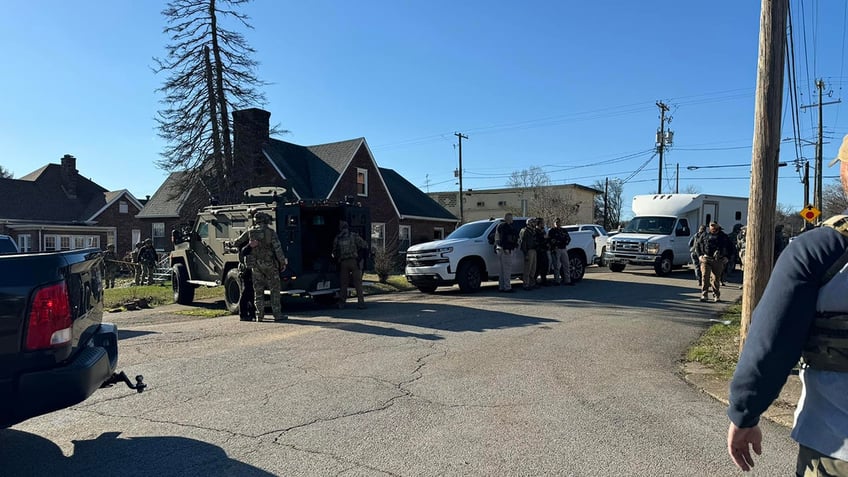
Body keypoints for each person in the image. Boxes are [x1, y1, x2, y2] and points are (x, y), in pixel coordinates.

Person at [726, 133, 848, 474]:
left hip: (836, 441)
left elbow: (771, 342)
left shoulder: (820, 249)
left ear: (846, 174)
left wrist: (744, 413)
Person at [232, 211, 288, 321]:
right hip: (270, 264)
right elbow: (278, 249)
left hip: (255, 265)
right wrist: (282, 263)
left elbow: (236, 242)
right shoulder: (271, 232)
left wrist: (249, 245)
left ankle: (259, 315)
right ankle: (277, 315)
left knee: (258, 291)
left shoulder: (250, 231)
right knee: (275, 290)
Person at [332, 220, 369, 309]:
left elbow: (334, 252)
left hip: (343, 263)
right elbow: (365, 245)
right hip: (354, 262)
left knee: (343, 284)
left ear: (340, 228)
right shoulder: (354, 236)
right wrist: (361, 258)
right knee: (357, 284)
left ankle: (342, 303)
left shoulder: (338, 238)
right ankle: (361, 303)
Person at [695, 222, 731, 303]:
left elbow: (731, 248)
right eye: (711, 226)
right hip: (706, 259)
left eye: (714, 226)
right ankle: (704, 294)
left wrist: (727, 257)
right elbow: (697, 245)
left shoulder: (723, 237)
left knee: (715, 278)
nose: (713, 228)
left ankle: (716, 295)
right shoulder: (704, 235)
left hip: (718, 260)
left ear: (718, 227)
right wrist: (699, 256)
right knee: (705, 276)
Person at [494, 213, 518, 293]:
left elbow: (497, 238)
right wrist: (506, 248)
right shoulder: (505, 227)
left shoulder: (499, 226)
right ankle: (507, 287)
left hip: (499, 249)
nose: (512, 219)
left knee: (501, 270)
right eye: (511, 218)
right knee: (507, 270)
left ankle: (501, 287)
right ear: (507, 218)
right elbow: (503, 238)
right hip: (505, 250)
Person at [548, 218, 574, 286]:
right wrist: (556, 244)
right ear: (554, 223)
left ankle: (567, 280)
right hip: (556, 249)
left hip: (563, 248)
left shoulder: (563, 230)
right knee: (557, 266)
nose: (557, 224)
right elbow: (551, 240)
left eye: (558, 222)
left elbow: (568, 238)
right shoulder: (552, 231)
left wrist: (565, 242)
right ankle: (557, 280)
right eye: (556, 222)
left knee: (566, 264)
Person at [518, 218, 537, 290]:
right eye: (533, 222)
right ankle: (526, 284)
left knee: (533, 268)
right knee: (527, 269)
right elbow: (523, 243)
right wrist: (525, 253)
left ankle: (531, 283)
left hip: (534, 250)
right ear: (529, 223)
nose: (534, 224)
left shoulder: (533, 231)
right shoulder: (524, 231)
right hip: (528, 251)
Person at [535, 217, 551, 286]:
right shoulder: (536, 231)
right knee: (538, 267)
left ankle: (544, 280)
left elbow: (546, 238)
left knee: (545, 265)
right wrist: (543, 238)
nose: (543, 224)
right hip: (539, 251)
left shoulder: (543, 230)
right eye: (542, 223)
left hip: (544, 250)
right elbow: (537, 241)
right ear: (539, 223)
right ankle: (534, 280)